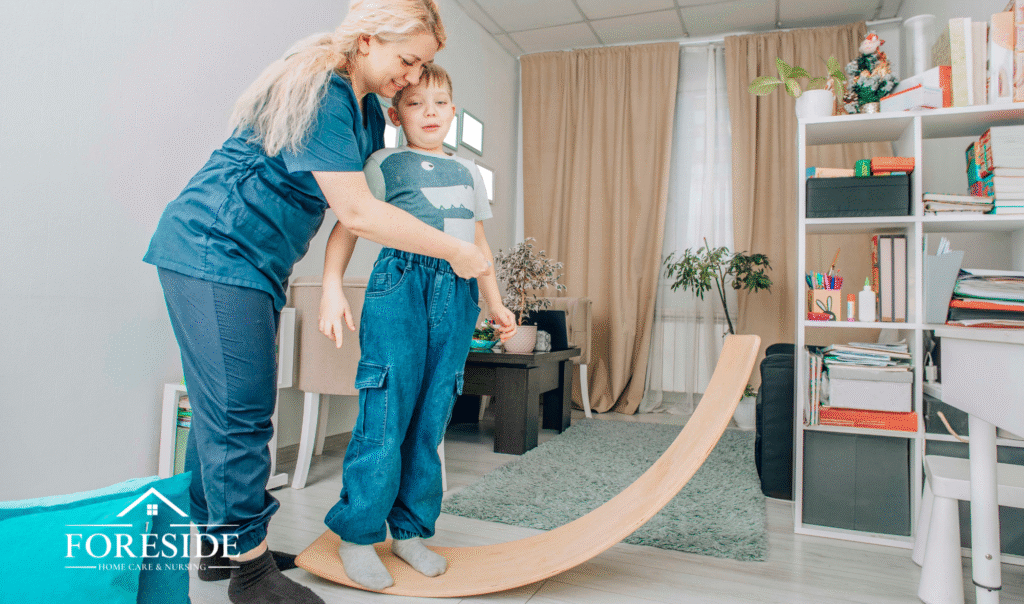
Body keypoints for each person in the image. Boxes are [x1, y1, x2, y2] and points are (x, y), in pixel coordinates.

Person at [143, 1, 493, 602]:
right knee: (241, 414)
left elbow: (357, 203)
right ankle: (250, 576)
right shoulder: (326, 93)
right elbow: (357, 213)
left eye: (422, 68)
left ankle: (224, 549)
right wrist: (457, 253)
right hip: (213, 249)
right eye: (407, 62)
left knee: (221, 411)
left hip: (254, 264)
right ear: (366, 43)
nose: (412, 78)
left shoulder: (361, 112)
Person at [316, 62, 516, 590]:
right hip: (400, 285)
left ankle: (408, 532)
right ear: (395, 113)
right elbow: (349, 225)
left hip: (458, 293)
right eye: (415, 103)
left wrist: (494, 302)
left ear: (452, 110)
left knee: (431, 418)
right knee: (386, 413)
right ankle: (359, 535)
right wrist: (332, 286)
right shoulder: (383, 162)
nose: (429, 112)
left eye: (439, 103)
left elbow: (477, 244)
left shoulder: (469, 174)